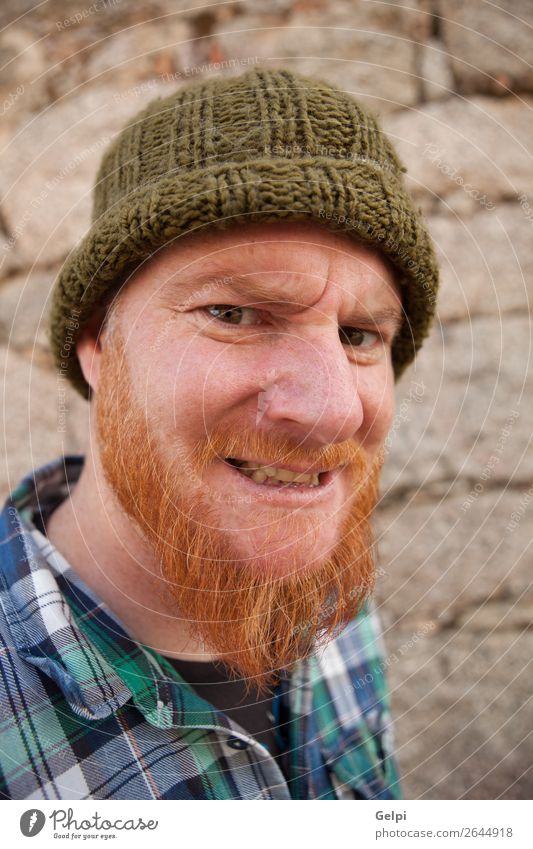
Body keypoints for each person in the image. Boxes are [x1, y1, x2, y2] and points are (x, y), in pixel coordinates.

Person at [0, 68, 438, 800]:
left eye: (360, 334)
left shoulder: (331, 603)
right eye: (233, 314)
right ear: (96, 343)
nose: (333, 410)